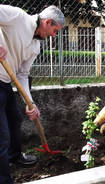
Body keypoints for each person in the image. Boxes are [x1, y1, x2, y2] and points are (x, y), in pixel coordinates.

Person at [0, 5, 65, 184]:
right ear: (47, 22)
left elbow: (21, 74)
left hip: (4, 82)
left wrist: (31, 103)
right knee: (2, 136)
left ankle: (14, 157)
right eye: (54, 30)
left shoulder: (35, 45)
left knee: (15, 119)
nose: (54, 35)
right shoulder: (18, 17)